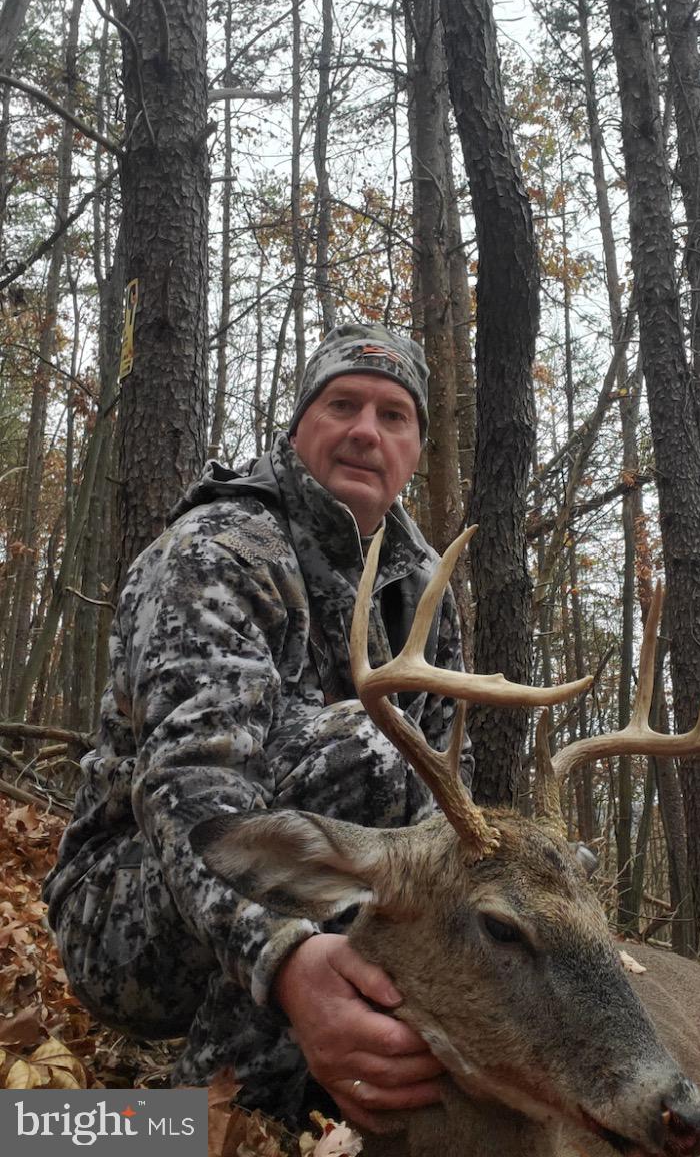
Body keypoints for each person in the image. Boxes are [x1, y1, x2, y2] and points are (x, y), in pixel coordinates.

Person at [44, 322, 467, 1128]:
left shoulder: (428, 593)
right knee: (371, 758)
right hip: (128, 910)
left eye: (393, 415)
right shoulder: (221, 549)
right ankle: (198, 1125)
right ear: (301, 423)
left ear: (415, 449)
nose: (365, 431)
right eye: (342, 404)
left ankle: (340, 1078)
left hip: (310, 897)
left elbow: (443, 805)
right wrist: (288, 960)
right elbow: (190, 783)